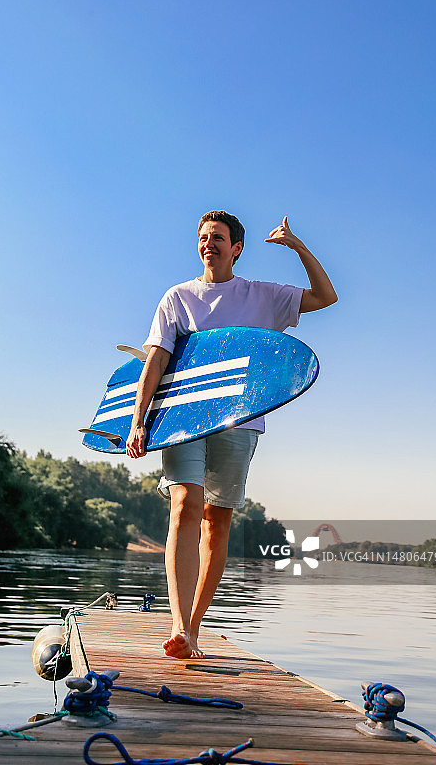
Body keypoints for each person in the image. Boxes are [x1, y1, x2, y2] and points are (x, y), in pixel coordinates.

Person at [126, 210, 337, 659]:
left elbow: (326, 296)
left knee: (216, 521)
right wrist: (137, 419)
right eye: (203, 237)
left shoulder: (263, 296)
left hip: (241, 421)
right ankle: (179, 627)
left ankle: (195, 626)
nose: (208, 244)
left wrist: (297, 246)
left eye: (218, 238)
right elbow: (156, 361)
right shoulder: (177, 298)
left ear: (236, 247)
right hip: (183, 418)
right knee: (185, 502)